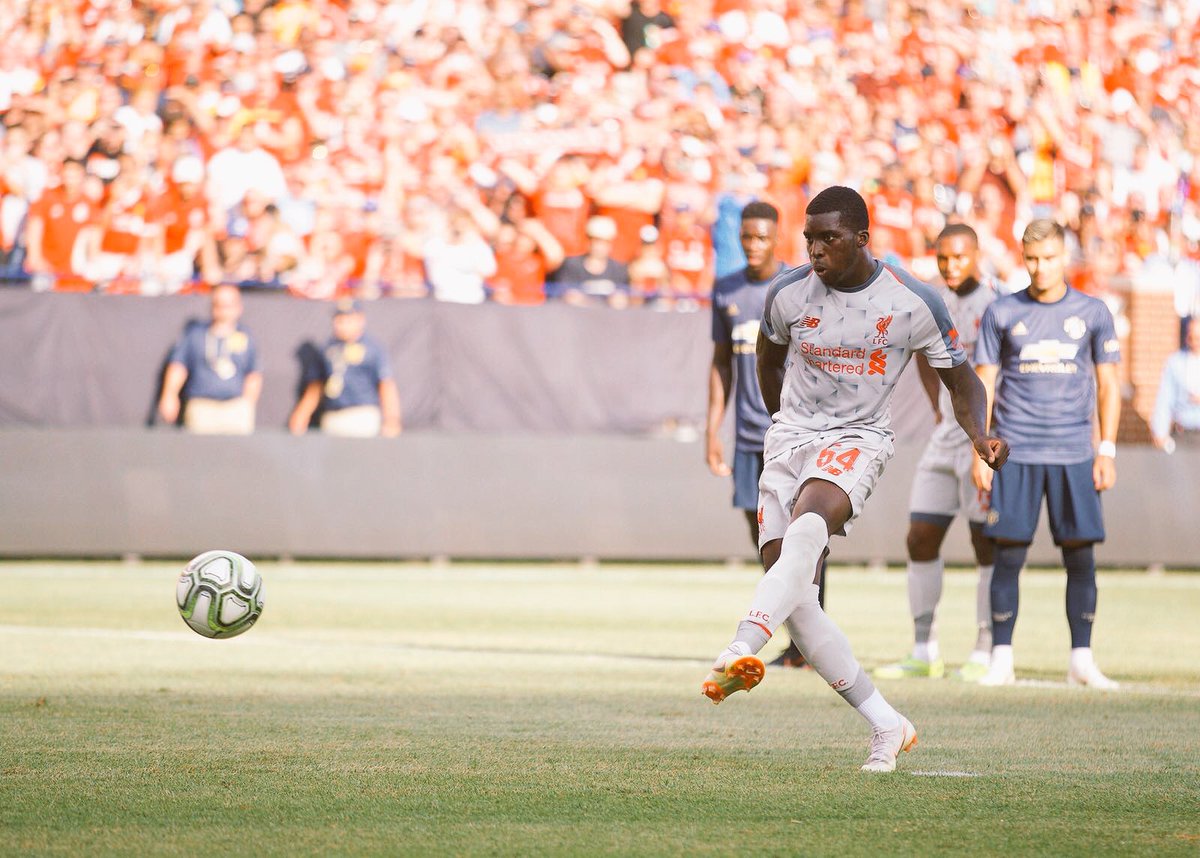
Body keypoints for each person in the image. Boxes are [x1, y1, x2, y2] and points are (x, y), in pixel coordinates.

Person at [700, 187, 1008, 774]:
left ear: (863, 239)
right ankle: (887, 725)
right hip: (790, 439)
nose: (815, 249)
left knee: (807, 534)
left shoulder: (912, 300)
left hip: (858, 440)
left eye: (829, 238)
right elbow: (767, 358)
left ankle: (739, 647)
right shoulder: (787, 293)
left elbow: (962, 379)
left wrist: (979, 434)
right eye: (809, 238)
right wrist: (780, 423)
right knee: (796, 599)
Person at [972, 219, 1122, 689]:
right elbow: (985, 382)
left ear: (1065, 258)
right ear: (1023, 258)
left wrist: (1106, 449)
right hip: (1016, 451)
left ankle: (1081, 657)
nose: (1040, 268)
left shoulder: (1093, 312)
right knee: (1008, 553)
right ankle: (1001, 657)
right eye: (1032, 259)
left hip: (1074, 451)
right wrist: (981, 450)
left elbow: (1109, 385)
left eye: (1050, 258)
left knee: (1080, 556)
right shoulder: (1001, 311)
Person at [875, 224, 999, 683]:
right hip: (945, 436)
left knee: (986, 544)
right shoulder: (932, 302)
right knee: (920, 537)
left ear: (976, 254)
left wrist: (985, 435)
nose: (950, 266)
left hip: (980, 441)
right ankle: (924, 649)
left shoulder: (996, 304)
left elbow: (997, 374)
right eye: (943, 258)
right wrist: (937, 408)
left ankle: (986, 649)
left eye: (959, 257)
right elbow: (926, 357)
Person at [707, 201, 818, 670]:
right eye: (746, 237)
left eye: (762, 237)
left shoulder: (796, 287)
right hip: (748, 438)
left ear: (777, 238)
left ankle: (808, 644)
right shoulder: (726, 290)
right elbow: (720, 364)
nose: (753, 246)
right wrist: (714, 428)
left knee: (806, 540)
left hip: (792, 434)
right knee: (767, 545)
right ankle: (800, 641)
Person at [288, 299, 402, 438]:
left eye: (348, 320)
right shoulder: (327, 348)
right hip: (333, 415)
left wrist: (392, 419)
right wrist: (302, 414)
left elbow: (386, 384)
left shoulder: (373, 348)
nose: (342, 325)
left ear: (360, 320)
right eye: (339, 320)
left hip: (362, 415)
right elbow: (316, 386)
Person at [158, 283, 261, 435]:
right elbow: (178, 366)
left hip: (235, 408)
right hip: (202, 407)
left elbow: (254, 374)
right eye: (218, 304)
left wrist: (247, 405)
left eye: (228, 305)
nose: (223, 310)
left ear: (239, 307)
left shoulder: (246, 337)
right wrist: (169, 395)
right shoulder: (196, 335)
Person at [1149, 317, 1200, 452]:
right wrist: (1160, 432)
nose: (1194, 341)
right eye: (1192, 336)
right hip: (1183, 434)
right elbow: (1165, 399)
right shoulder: (1175, 362)